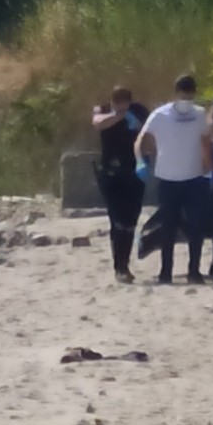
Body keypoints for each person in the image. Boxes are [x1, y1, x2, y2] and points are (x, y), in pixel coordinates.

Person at [135, 74, 213, 285]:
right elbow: (140, 139)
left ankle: (194, 271)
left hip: (194, 179)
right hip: (168, 179)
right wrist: (139, 161)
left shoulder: (199, 115)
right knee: (168, 227)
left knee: (196, 227)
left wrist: (211, 169)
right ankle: (166, 272)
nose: (186, 100)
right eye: (183, 95)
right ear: (176, 93)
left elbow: (206, 140)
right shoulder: (160, 115)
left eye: (190, 96)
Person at [91, 86, 149, 284]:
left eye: (124, 102)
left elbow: (148, 129)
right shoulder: (103, 109)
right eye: (117, 102)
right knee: (117, 220)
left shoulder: (139, 110)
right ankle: (120, 267)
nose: (120, 105)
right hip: (111, 172)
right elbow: (98, 123)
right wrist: (119, 115)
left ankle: (125, 262)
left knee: (131, 220)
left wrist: (135, 121)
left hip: (134, 170)